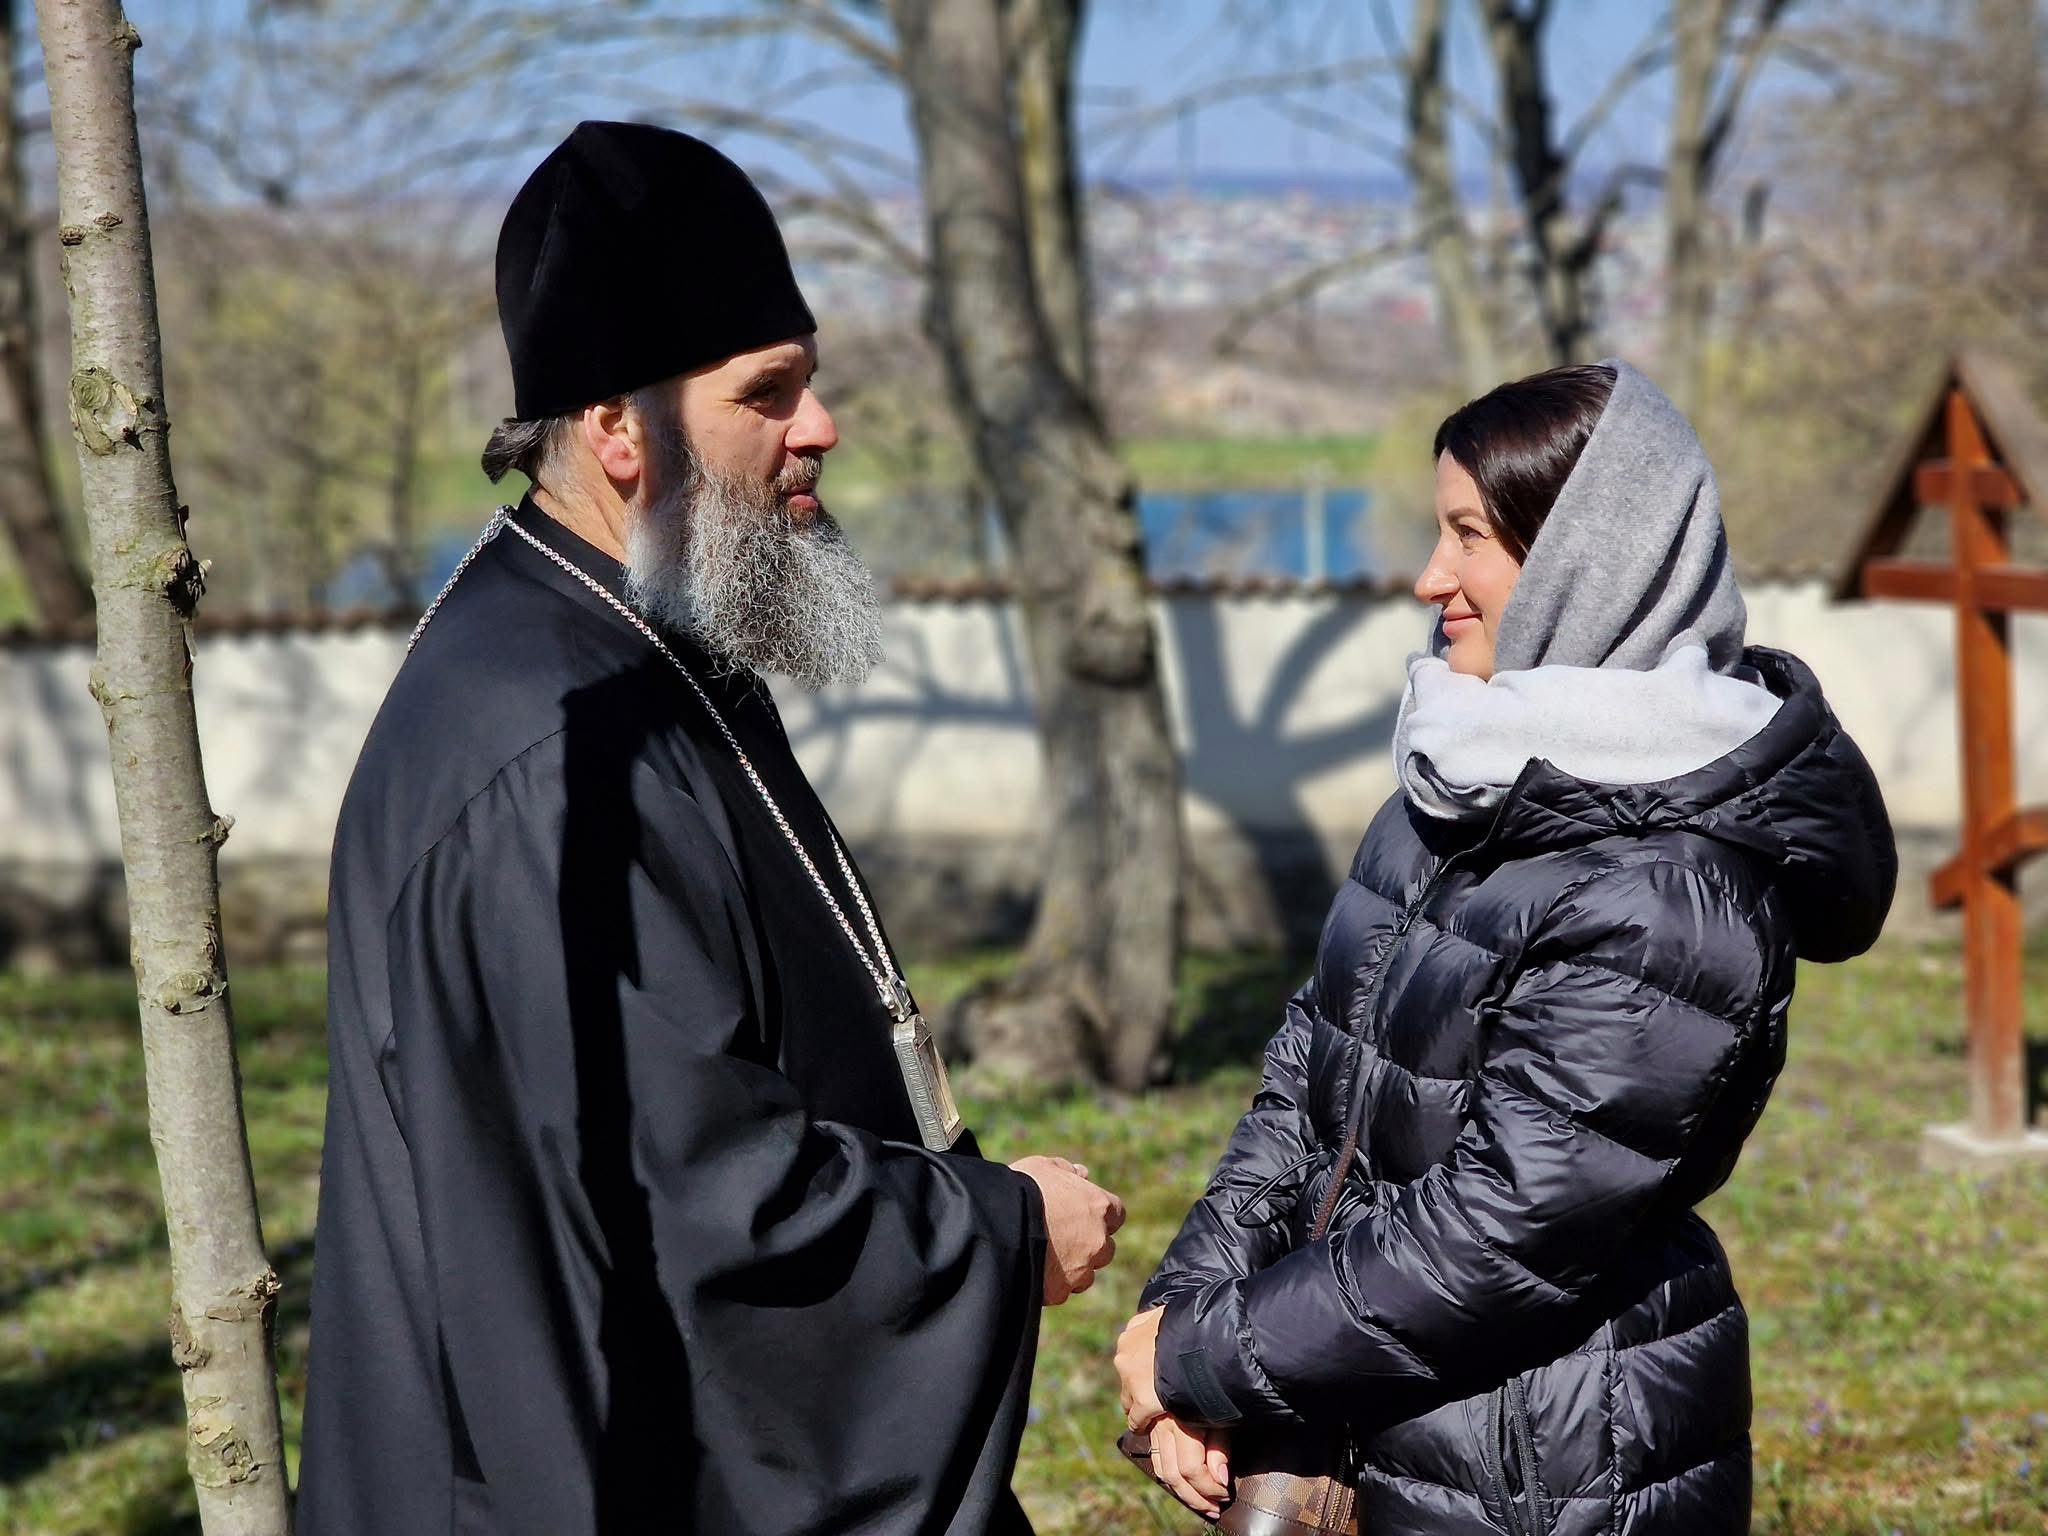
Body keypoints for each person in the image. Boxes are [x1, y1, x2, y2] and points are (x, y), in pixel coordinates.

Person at [297, 121, 1125, 1536]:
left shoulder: (639, 648)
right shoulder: (555, 750)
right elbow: (686, 1204)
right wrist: (995, 1233)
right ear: (618, 427)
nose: (822, 428)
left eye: (810, 381)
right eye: (767, 391)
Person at [1114, 361, 1897, 1533]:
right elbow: (1308, 1079)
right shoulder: (1455, 784)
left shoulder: (1668, 890)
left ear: (1585, 559)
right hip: (1357, 1391)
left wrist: (1206, 1353)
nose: (1429, 577)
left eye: (1467, 536)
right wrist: (1183, 1312)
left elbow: (1502, 1226)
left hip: (1546, 1464)